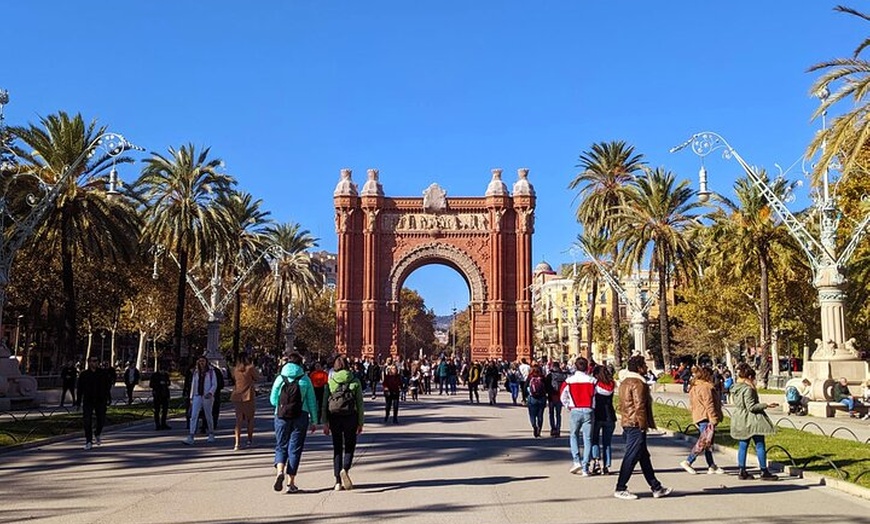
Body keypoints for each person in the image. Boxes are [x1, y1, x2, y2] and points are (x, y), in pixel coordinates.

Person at [613, 355, 672, 500]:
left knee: (643, 456)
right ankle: (620, 487)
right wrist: (643, 425)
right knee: (631, 456)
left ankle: (656, 487)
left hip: (628, 421)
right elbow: (640, 406)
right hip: (636, 424)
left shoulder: (625, 382)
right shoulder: (638, 383)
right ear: (639, 368)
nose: (646, 368)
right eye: (644, 365)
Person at [270, 352, 318, 494]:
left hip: (281, 416)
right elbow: (311, 402)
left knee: (281, 445)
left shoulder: (280, 378)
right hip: (301, 416)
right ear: (300, 364)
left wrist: (283, 405)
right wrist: (314, 420)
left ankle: (280, 471)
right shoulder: (305, 379)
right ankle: (291, 483)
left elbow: (273, 400)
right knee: (295, 448)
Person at [323, 355, 365, 491]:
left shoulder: (330, 382)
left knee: (337, 448)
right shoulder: (355, 381)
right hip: (351, 417)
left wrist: (325, 422)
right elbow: (360, 404)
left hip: (334, 417)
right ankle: (345, 469)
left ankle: (337, 482)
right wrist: (360, 422)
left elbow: (324, 404)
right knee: (349, 446)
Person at [729, 363, 778, 480]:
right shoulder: (748, 389)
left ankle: (742, 470)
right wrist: (766, 405)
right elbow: (751, 406)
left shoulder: (736, 388)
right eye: (753, 378)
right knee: (760, 444)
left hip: (740, 418)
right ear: (749, 377)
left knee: (743, 445)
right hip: (751, 419)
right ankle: (764, 471)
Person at [679, 366, 726, 475]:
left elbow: (692, 404)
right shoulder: (705, 387)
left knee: (708, 442)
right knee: (704, 441)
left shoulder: (694, 386)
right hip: (706, 417)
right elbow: (709, 404)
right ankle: (688, 461)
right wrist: (714, 418)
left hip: (699, 416)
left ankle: (711, 465)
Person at [561, 357, 596, 475]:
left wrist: (568, 405)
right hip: (588, 410)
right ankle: (586, 467)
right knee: (588, 439)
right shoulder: (592, 380)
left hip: (575, 410)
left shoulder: (569, 380)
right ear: (587, 367)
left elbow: (562, 395)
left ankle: (577, 461)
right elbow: (596, 395)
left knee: (574, 436)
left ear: (575, 366)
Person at [77, 356, 111, 450]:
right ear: (89, 362)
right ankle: (88, 440)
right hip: (88, 400)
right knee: (87, 421)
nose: (94, 363)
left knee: (101, 419)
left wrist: (108, 398)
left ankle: (97, 433)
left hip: (100, 400)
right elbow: (80, 389)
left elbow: (107, 386)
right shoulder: (84, 374)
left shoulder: (103, 373)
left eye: (96, 361)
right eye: (92, 361)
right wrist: (78, 402)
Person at [231, 353, 261, 450]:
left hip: (237, 395)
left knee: (238, 420)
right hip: (248, 395)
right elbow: (257, 377)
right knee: (250, 419)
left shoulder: (235, 369)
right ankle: (249, 440)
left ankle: (237, 443)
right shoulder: (250, 368)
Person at [184, 356, 217, 445]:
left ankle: (211, 433)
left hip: (207, 396)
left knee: (208, 415)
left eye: (203, 361)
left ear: (206, 362)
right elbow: (193, 385)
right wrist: (191, 397)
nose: (201, 363)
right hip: (197, 396)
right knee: (194, 416)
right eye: (200, 361)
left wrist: (210, 393)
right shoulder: (196, 372)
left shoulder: (211, 372)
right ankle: (191, 435)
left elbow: (214, 384)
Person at [591, 364, 616, 475]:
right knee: (607, 443)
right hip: (610, 415)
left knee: (594, 440)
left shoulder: (595, 384)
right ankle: (607, 466)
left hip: (597, 415)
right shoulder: (611, 384)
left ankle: (596, 461)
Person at [545, 361, 568, 437]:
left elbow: (546, 387)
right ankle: (558, 429)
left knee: (551, 414)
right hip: (560, 397)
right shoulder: (563, 376)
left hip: (551, 397)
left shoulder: (549, 376)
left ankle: (553, 429)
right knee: (558, 414)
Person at [149, 361, 172, 430]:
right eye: (162, 370)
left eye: (164, 371)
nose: (163, 372)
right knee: (157, 410)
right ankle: (157, 424)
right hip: (157, 395)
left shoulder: (166, 375)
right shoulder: (155, 375)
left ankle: (163, 423)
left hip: (165, 395)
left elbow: (168, 383)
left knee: (165, 410)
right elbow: (151, 385)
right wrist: (159, 383)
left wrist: (167, 383)